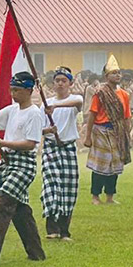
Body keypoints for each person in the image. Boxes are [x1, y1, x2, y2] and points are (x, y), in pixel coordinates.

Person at [0, 71, 46, 267]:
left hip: (24, 166)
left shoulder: (34, 113)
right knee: (21, 211)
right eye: (11, 89)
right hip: (8, 164)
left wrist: (3, 142)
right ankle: (36, 253)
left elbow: (31, 144)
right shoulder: (12, 110)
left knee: (2, 207)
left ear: (28, 90)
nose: (13, 93)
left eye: (16, 90)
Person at [41, 66, 83, 240]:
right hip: (51, 147)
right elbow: (38, 129)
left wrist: (55, 106)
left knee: (68, 187)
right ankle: (52, 229)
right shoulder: (45, 104)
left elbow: (79, 102)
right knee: (51, 185)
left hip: (68, 147)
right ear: (53, 84)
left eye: (63, 81)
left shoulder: (74, 99)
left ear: (70, 83)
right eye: (57, 80)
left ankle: (64, 230)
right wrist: (48, 130)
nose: (60, 83)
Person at [84, 54, 131, 205]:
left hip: (117, 132)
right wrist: (88, 136)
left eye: (118, 72)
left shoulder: (124, 94)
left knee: (115, 165)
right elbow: (92, 114)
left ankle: (110, 196)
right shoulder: (100, 93)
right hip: (101, 131)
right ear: (106, 76)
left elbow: (126, 117)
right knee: (100, 165)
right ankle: (95, 196)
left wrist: (127, 135)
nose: (117, 75)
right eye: (113, 73)